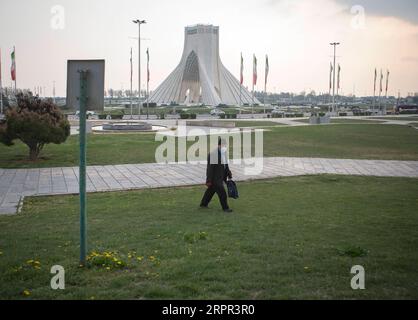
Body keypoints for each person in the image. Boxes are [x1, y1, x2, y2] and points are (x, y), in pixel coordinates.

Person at [200, 138, 233, 213]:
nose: (225, 147)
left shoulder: (224, 153)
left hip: (221, 177)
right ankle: (225, 208)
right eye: (223, 145)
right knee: (222, 193)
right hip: (215, 179)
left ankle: (203, 204)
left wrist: (229, 173)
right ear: (219, 145)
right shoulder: (213, 154)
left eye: (225, 146)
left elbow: (225, 165)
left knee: (210, 191)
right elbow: (210, 169)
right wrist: (208, 180)